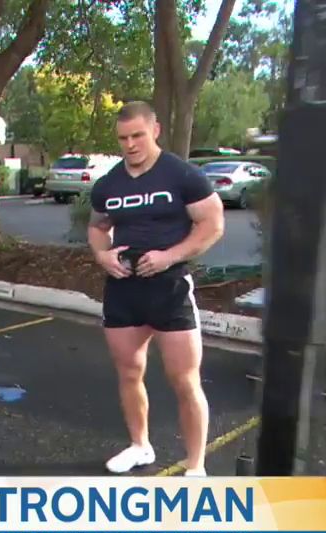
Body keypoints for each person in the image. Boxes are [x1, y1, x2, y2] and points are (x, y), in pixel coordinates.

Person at [88, 101, 224, 477]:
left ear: (155, 131)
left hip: (169, 288)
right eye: (123, 138)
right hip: (124, 290)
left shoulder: (182, 175)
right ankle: (140, 446)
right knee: (129, 372)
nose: (130, 144)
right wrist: (102, 256)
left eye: (138, 135)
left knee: (185, 380)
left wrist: (169, 256)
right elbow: (97, 226)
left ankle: (195, 467)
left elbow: (212, 224)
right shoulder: (109, 183)